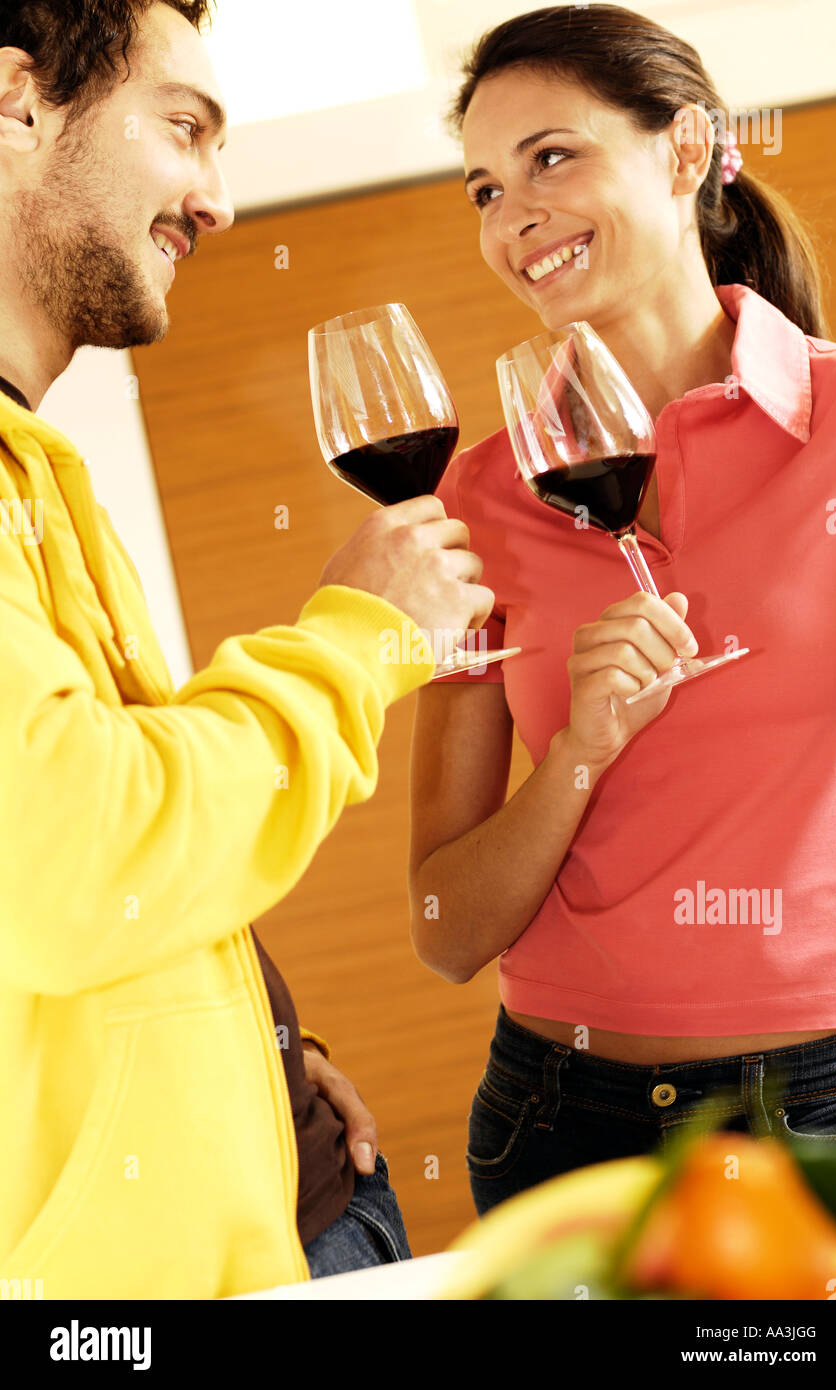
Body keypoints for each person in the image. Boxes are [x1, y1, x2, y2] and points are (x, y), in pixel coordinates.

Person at [0, 0, 493, 1296]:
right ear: (17, 101)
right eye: (185, 129)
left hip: (297, 1198)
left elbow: (105, 819)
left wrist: (263, 1039)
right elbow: (73, 854)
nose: (216, 201)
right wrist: (358, 637)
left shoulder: (42, 477)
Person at [409, 2, 836, 1218]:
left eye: (550, 157)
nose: (514, 218)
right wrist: (576, 757)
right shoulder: (476, 497)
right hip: (565, 1121)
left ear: (682, 152)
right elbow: (447, 927)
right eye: (483, 191)